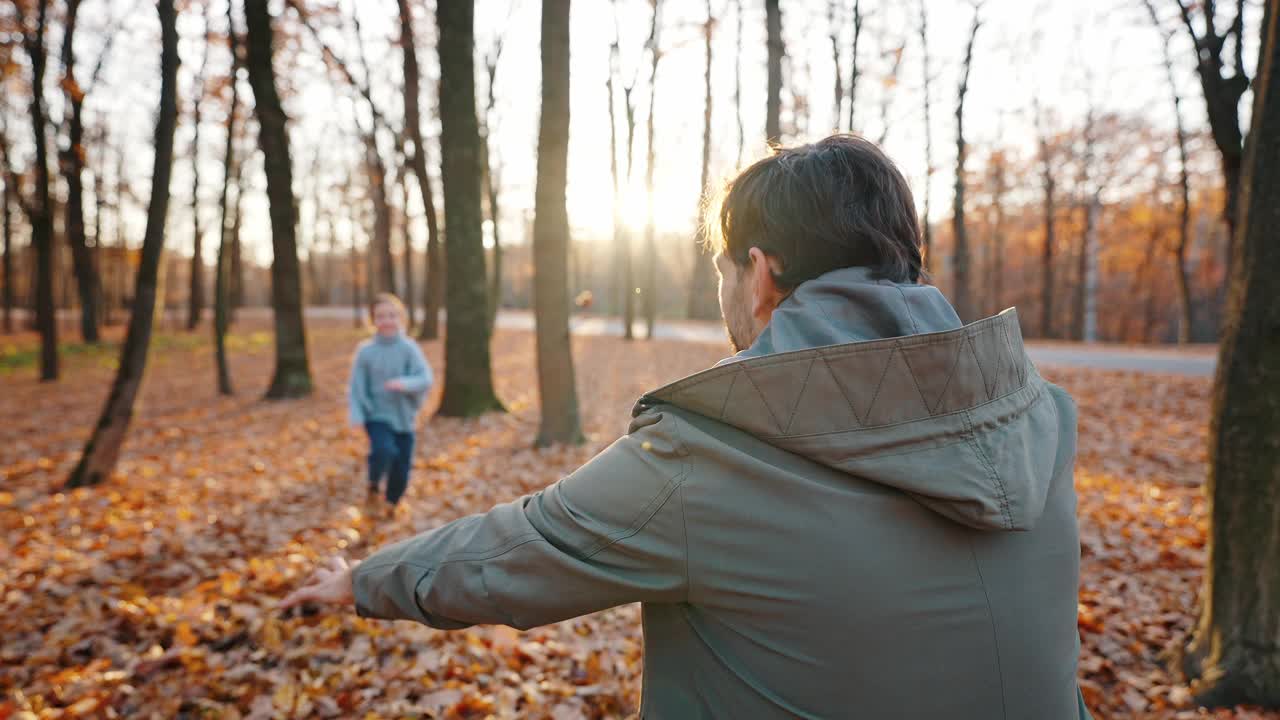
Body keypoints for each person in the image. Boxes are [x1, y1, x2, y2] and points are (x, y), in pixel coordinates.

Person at [283, 135, 1091, 719]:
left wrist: (365, 578)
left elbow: (525, 548)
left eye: (720, 268)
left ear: (762, 273)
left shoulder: (713, 455)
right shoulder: (1039, 416)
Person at [347, 293, 433, 514]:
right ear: (373, 321)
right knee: (384, 450)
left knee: (402, 466)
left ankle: (391, 503)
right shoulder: (366, 351)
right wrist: (357, 415)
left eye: (392, 315)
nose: (386, 321)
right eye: (380, 316)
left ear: (401, 318)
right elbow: (356, 386)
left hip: (404, 416)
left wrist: (403, 383)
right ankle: (374, 484)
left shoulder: (409, 348)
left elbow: (425, 378)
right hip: (376, 414)